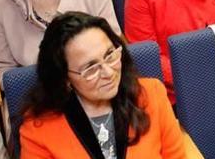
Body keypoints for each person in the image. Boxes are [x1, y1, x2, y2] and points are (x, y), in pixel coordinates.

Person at [18, 12, 184, 158]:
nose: (109, 73)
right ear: (65, 79)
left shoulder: (151, 93)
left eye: (110, 55)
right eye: (91, 68)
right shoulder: (38, 129)